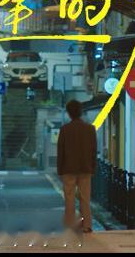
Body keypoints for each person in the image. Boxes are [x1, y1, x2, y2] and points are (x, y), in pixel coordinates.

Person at [57, 100, 96, 233]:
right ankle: (87, 225)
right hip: (85, 168)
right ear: (81, 111)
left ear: (69, 113)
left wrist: (60, 169)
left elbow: (61, 151)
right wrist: (93, 167)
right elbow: (93, 150)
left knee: (69, 198)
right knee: (85, 198)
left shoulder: (65, 129)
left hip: (68, 168)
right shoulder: (90, 129)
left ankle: (70, 225)